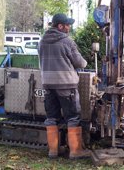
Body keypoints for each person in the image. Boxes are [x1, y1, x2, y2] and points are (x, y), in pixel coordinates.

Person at [39, 13, 91, 159]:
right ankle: (75, 152)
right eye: (67, 25)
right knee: (73, 117)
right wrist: (85, 63)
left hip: (48, 85)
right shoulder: (67, 41)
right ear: (60, 26)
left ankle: (53, 151)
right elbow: (80, 63)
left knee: (52, 117)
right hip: (66, 85)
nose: (69, 27)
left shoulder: (42, 41)